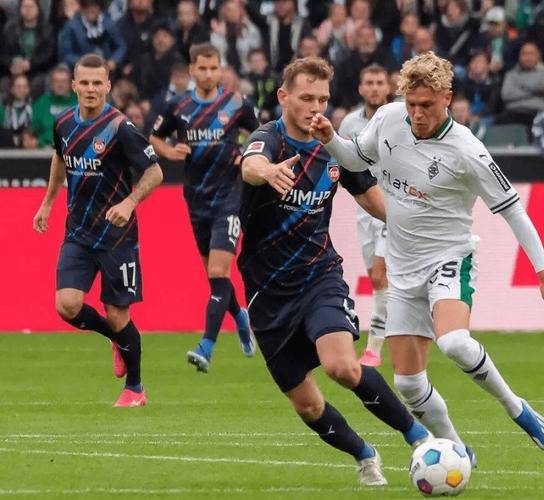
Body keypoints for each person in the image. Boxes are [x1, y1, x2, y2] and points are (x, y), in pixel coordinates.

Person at [312, 52, 544, 456]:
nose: (416, 114)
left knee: (455, 343)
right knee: (408, 383)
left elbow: (513, 209)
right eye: (411, 104)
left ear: (447, 98)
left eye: (426, 105)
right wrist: (330, 138)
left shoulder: (467, 150)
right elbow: (354, 158)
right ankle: (457, 450)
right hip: (403, 266)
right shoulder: (389, 118)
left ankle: (516, 408)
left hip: (449, 257)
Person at [239, 56, 431, 486]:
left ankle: (419, 437)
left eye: (322, 99)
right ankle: (365, 454)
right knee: (307, 405)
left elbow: (368, 195)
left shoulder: (333, 146)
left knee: (342, 367)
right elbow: (250, 167)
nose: (315, 107)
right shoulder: (267, 140)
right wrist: (267, 171)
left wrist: (414, 227)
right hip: (267, 292)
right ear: (283, 97)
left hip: (318, 277)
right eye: (306, 98)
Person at [32, 53, 163, 407]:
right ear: (74, 85)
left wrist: (130, 202)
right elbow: (60, 158)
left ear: (107, 85)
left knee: (118, 314)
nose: (91, 89)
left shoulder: (121, 128)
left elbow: (155, 172)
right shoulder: (63, 124)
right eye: (84, 83)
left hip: (117, 236)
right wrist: (47, 202)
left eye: (97, 83)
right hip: (78, 232)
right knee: (67, 305)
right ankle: (114, 338)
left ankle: (135, 388)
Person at [149, 43, 257, 372]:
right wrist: (169, 152)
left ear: (220, 69)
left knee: (219, 272)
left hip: (230, 198)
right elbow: (154, 137)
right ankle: (240, 316)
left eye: (214, 68)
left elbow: (261, 135)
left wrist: (247, 153)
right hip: (196, 200)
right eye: (203, 68)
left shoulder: (237, 103)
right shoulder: (177, 105)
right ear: (192, 70)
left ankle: (206, 346)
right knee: (216, 277)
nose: (209, 74)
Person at [338, 64, 390, 367]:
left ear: (388, 87)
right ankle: (405, 326)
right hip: (364, 208)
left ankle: (374, 350)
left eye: (379, 82)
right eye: (369, 82)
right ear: (360, 88)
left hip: (391, 203)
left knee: (381, 275)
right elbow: (342, 161)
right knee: (375, 277)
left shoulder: (398, 118)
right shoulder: (349, 124)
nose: (374, 87)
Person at [32, 64, 77, 147]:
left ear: (70, 83)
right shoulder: (42, 102)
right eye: (56, 81)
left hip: (73, 149)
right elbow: (34, 128)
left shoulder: (79, 101)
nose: (60, 85)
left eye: (63, 81)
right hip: (45, 148)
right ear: (52, 84)